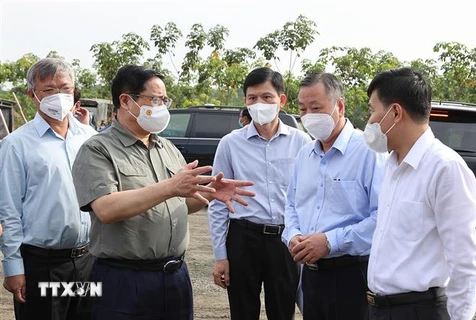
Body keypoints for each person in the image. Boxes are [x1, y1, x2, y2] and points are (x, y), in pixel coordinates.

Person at [71, 64, 255, 320]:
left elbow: (181, 202)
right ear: (126, 101)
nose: (162, 106)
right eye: (155, 99)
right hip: (122, 279)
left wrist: (209, 192)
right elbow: (106, 209)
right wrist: (169, 187)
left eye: (164, 100)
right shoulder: (97, 149)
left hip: (174, 277)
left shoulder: (166, 147)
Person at [365, 67, 476, 319]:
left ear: (395, 112)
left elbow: (464, 261)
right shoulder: (391, 165)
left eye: (373, 111)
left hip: (419, 311)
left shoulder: (445, 168)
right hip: (381, 308)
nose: (369, 121)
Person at [208, 67, 312, 320]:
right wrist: (221, 256)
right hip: (244, 238)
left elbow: (310, 196)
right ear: (245, 101)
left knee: (283, 311)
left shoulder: (301, 142)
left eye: (267, 97)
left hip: (285, 241)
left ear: (282, 100)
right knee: (242, 312)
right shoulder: (231, 144)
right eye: (252, 98)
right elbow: (218, 202)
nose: (259, 104)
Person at [283, 72, 386, 320]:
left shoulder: (368, 152)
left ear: (339, 106)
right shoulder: (305, 154)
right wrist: (293, 235)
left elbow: (382, 217)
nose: (308, 116)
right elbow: (291, 205)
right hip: (311, 275)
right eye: (303, 109)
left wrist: (330, 241)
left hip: (352, 274)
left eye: (316, 108)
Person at [0, 58, 96, 320]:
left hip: (87, 260)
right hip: (42, 265)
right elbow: (9, 211)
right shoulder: (16, 144)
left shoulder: (89, 138)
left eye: (65, 89)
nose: (59, 96)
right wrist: (13, 266)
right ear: (33, 95)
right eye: (49, 90)